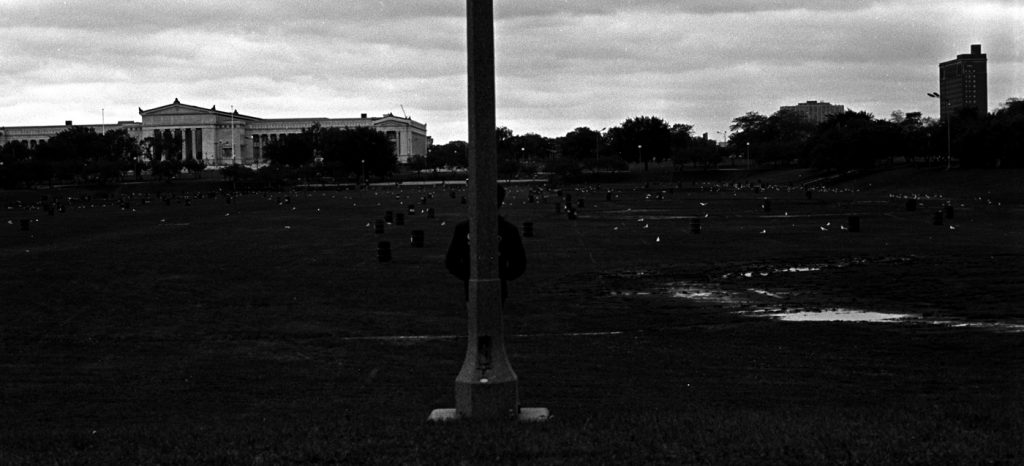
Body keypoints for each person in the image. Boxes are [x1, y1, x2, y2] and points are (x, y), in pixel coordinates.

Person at [445, 185, 526, 303]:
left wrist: (502, 275)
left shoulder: (508, 230)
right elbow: (452, 260)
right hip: (476, 285)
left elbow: (518, 262)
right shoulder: (463, 229)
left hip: (495, 286)